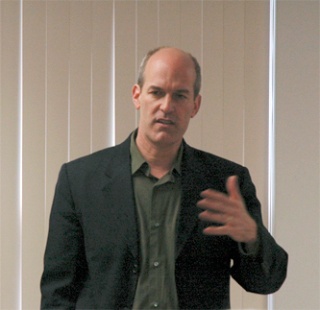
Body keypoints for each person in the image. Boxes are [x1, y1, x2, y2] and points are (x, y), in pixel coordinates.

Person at [40, 47, 288, 309]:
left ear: (195, 105)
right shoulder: (80, 180)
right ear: (137, 96)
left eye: (180, 95)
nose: (167, 106)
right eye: (156, 92)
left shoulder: (226, 182)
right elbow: (58, 291)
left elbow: (265, 282)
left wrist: (253, 237)